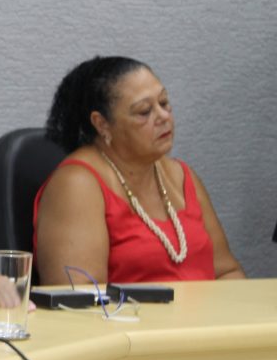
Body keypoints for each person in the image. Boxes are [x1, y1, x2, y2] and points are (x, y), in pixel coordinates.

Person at [34, 55, 244, 284]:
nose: (163, 117)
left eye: (164, 103)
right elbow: (78, 295)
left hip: (208, 309)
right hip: (128, 310)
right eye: (144, 111)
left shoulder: (182, 176)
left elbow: (226, 272)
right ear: (102, 124)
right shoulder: (77, 184)